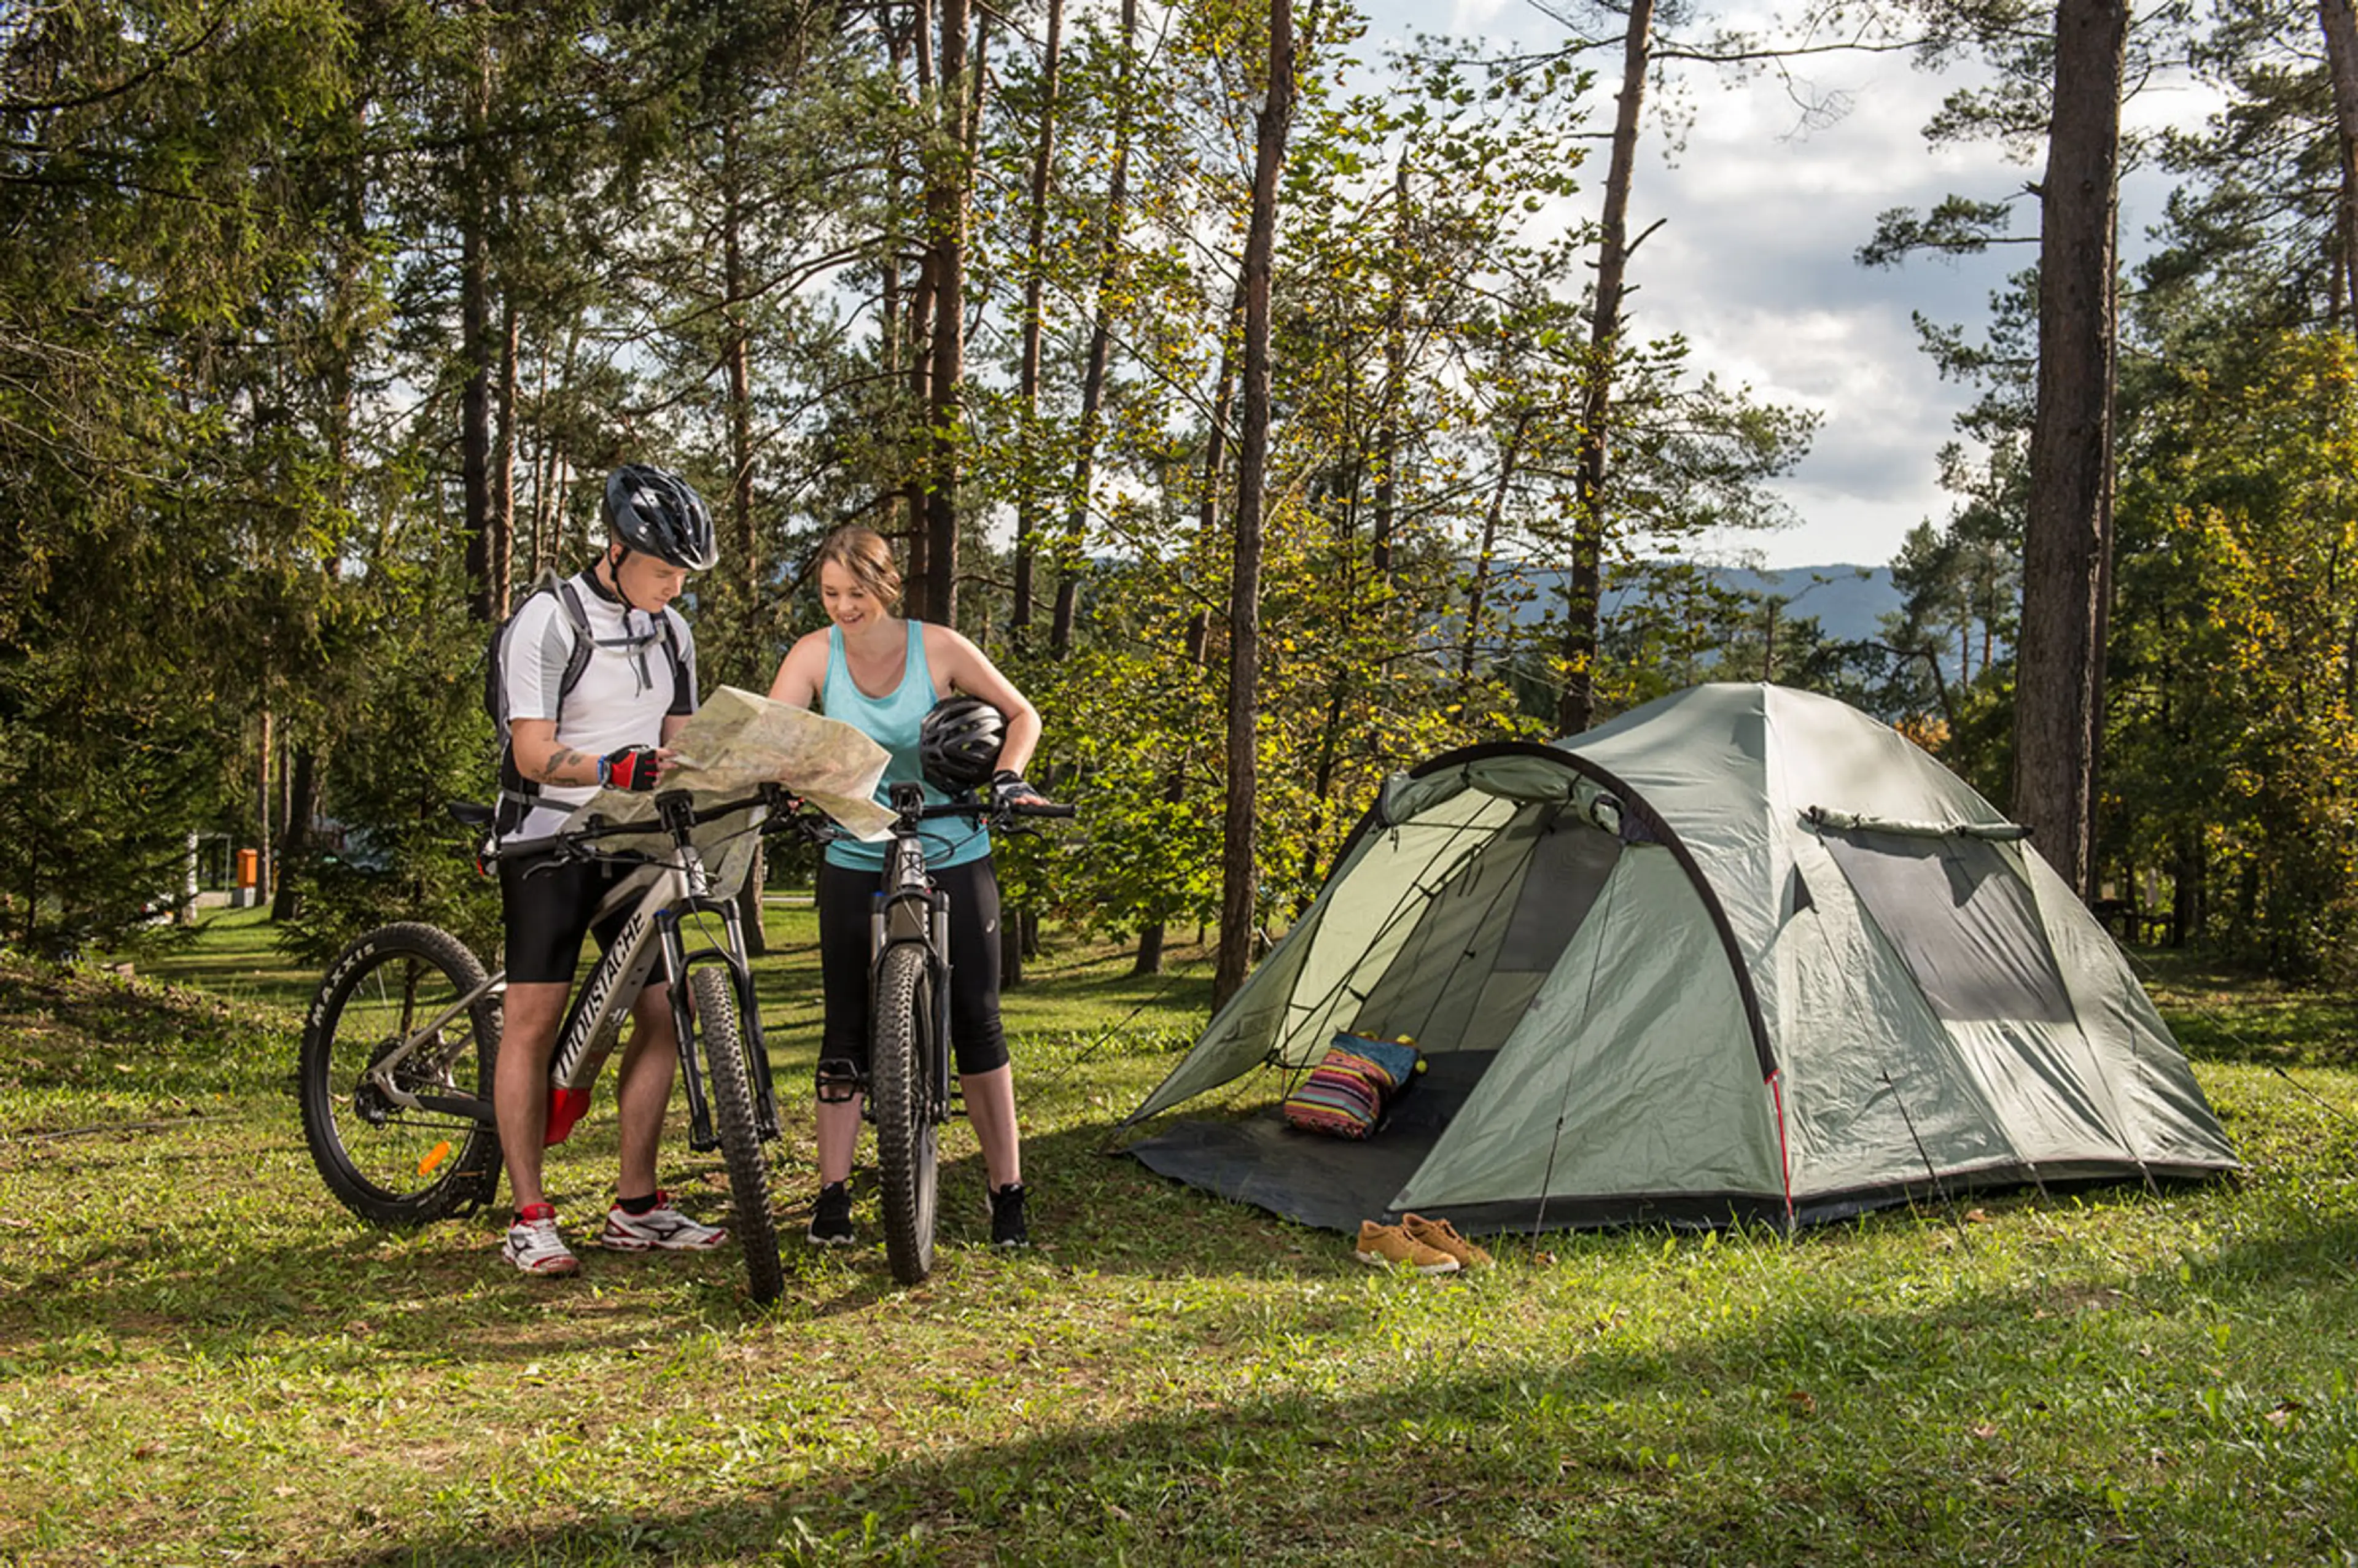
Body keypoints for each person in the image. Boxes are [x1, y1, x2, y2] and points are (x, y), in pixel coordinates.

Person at [766, 524, 1045, 1249]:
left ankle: (1005, 1190)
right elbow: (780, 737)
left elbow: (1023, 714)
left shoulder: (940, 647)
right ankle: (832, 1195)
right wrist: (789, 780)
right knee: (844, 1026)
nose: (843, 607)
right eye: (830, 594)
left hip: (952, 838)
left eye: (855, 592)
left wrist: (1008, 777)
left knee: (979, 1020)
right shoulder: (813, 655)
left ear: (884, 586)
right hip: (856, 848)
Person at [491, 463, 731, 1276]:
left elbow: (685, 742)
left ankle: (636, 1204)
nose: (673, 587)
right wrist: (611, 767)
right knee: (534, 1020)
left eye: (683, 575)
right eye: (663, 570)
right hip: (546, 839)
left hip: (632, 839)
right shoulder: (548, 620)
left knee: (665, 1010)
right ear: (617, 550)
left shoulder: (673, 632)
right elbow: (531, 751)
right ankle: (529, 1213)